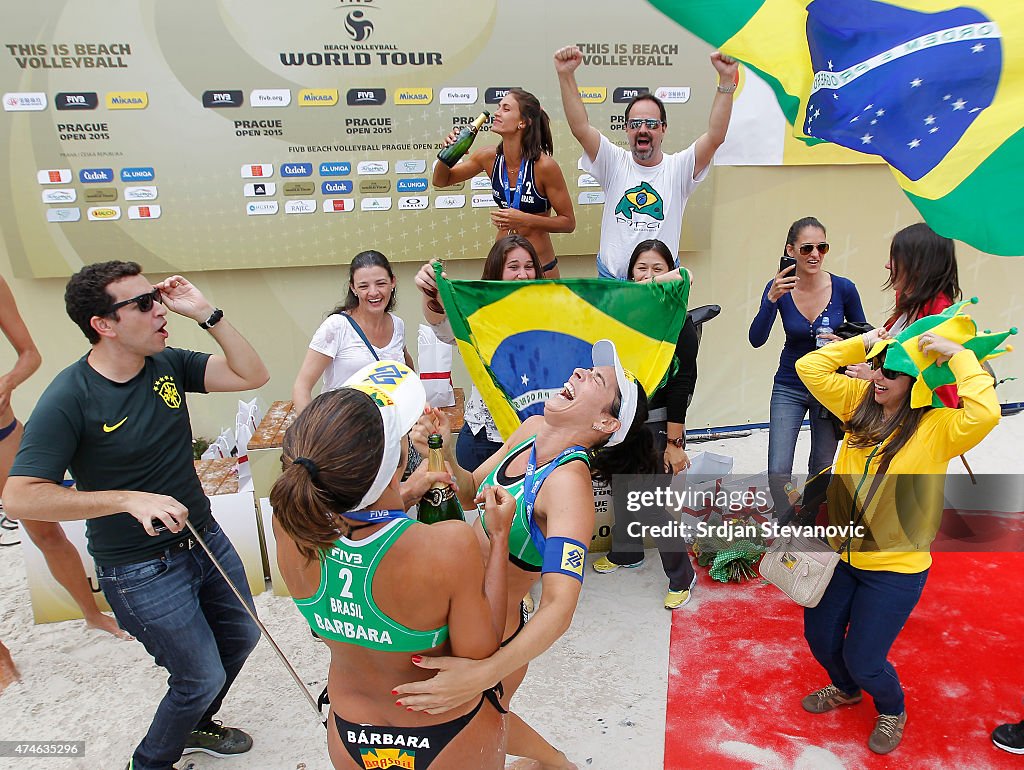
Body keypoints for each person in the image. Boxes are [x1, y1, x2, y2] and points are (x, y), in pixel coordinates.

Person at [3, 261, 269, 770]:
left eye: (158, 296)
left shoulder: (166, 361)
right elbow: (19, 496)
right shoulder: (69, 397)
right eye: (144, 303)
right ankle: (149, 762)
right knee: (199, 677)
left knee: (242, 635)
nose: (160, 309)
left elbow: (251, 373)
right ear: (103, 325)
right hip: (139, 569)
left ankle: (195, 723)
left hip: (203, 537)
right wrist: (126, 498)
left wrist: (206, 313)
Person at [396, 340, 659, 770]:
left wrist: (485, 672)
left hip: (493, 632)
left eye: (595, 379)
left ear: (605, 421)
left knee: (474, 724)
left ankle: (556, 763)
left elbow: (559, 607)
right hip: (450, 609)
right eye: (585, 370)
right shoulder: (532, 428)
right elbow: (470, 492)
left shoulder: (568, 486)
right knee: (474, 721)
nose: (577, 373)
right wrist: (437, 450)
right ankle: (555, 763)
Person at [271, 361, 515, 770]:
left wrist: (408, 489)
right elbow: (481, 655)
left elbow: (356, 524)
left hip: (350, 729)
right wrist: (499, 540)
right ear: (395, 461)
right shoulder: (447, 546)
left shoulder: (290, 523)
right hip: (447, 732)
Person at [795, 317, 1002, 755]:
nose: (878, 377)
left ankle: (891, 708)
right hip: (841, 556)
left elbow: (986, 412)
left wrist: (958, 355)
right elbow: (809, 368)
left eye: (891, 372)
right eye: (879, 365)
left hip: (895, 570)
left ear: (916, 383)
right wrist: (863, 343)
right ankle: (846, 689)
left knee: (866, 659)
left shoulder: (938, 429)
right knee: (820, 638)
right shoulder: (857, 402)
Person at [0, 275, 132, 640]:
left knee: (45, 531)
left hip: (3, 430)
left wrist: (8, 381)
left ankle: (91, 614)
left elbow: (30, 355)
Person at [554, 45, 738, 280]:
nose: (643, 130)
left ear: (663, 129)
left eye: (651, 124)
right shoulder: (613, 161)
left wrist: (725, 80)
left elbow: (715, 137)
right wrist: (565, 75)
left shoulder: (678, 168)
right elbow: (580, 128)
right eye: (635, 124)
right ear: (626, 129)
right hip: (613, 287)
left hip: (660, 289)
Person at [591, 240, 699, 609]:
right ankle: (626, 553)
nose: (649, 277)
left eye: (658, 269)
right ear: (628, 273)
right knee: (623, 492)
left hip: (657, 425)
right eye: (642, 269)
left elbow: (682, 382)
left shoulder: (678, 319)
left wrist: (674, 442)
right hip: (623, 424)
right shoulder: (620, 316)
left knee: (648, 504)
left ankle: (682, 575)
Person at [748, 217, 867, 524]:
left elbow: (864, 338)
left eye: (822, 247)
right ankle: (787, 516)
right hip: (790, 384)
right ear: (791, 250)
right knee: (778, 471)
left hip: (830, 385)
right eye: (807, 248)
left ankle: (809, 515)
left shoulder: (844, 288)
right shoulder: (779, 288)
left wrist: (842, 341)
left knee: (822, 466)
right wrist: (770, 300)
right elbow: (756, 339)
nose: (815, 254)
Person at [414, 235, 542, 471]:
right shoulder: (478, 315)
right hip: (482, 440)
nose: (522, 274)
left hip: (535, 438)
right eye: (513, 267)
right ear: (496, 272)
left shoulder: (550, 312)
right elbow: (444, 329)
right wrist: (431, 292)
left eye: (529, 266)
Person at [432, 88, 575, 278]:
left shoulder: (545, 166)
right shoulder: (489, 157)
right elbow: (441, 181)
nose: (497, 113)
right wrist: (447, 154)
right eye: (499, 107)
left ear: (523, 122)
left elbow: (568, 222)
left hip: (540, 270)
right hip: (501, 271)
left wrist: (525, 219)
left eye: (506, 109)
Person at [846, 223, 962, 408]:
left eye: (895, 259)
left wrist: (873, 378)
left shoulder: (940, 318)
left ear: (918, 265)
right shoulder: (908, 301)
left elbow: (942, 396)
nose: (887, 265)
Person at [292, 250, 413, 414]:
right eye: (364, 286)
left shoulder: (397, 325)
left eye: (381, 283)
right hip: (343, 433)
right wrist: (313, 434)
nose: (373, 292)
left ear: (393, 282)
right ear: (353, 288)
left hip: (390, 432)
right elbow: (302, 387)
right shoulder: (336, 326)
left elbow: (407, 373)